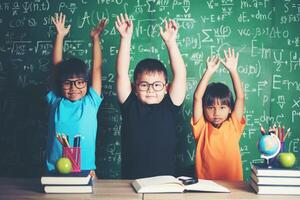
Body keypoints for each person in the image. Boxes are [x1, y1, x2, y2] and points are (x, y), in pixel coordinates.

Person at [115, 13, 186, 179]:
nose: (151, 90)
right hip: (130, 182)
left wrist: (171, 43)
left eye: (157, 85)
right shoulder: (129, 104)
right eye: (144, 85)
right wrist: (125, 38)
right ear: (135, 87)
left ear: (166, 88)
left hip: (166, 183)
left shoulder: (171, 105)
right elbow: (121, 74)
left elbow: (181, 75)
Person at [45, 13, 107, 175]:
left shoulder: (91, 102)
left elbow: (97, 68)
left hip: (85, 170)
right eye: (68, 82)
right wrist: (60, 36)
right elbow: (56, 67)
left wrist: (95, 39)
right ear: (60, 83)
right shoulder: (55, 101)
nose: (73, 88)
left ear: (86, 82)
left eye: (79, 82)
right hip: (54, 169)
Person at [191, 48, 246, 181]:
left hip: (234, 186)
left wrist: (233, 70)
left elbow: (240, 97)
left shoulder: (233, 125)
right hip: (206, 187)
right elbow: (197, 97)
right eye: (210, 107)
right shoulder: (201, 128)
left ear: (229, 109)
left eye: (222, 107)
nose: (216, 113)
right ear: (204, 109)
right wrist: (208, 72)